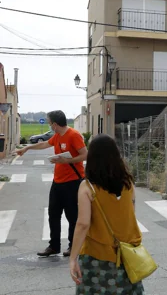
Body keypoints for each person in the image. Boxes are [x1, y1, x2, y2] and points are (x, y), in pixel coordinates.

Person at [68, 134, 144, 294]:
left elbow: (83, 224)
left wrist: (73, 258)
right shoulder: (128, 182)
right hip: (127, 254)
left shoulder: (88, 187)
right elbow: (130, 214)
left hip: (96, 255)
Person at [17, 110, 87, 257]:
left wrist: (66, 160)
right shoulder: (57, 136)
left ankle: (72, 246)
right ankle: (54, 246)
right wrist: (27, 148)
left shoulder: (73, 135)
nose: (49, 125)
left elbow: (85, 154)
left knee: (72, 216)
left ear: (55, 124)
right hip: (58, 182)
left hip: (73, 182)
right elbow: (44, 145)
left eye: (49, 123)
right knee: (53, 214)